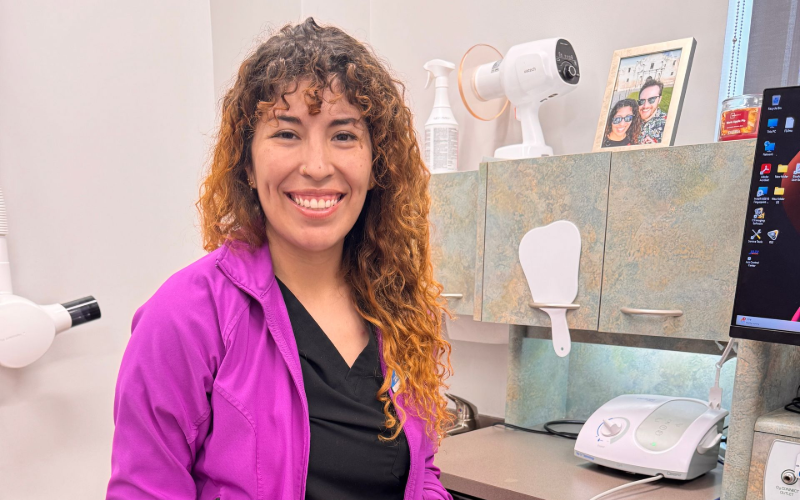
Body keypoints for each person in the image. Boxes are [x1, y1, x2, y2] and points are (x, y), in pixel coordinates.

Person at [106, 18, 454, 500]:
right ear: (247, 162)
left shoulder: (400, 308)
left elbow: (423, 475)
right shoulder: (184, 318)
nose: (315, 166)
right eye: (287, 134)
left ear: (378, 164)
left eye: (344, 135)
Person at [637, 77, 668, 144]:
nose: (645, 106)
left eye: (651, 100)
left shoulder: (667, 125)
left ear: (659, 99)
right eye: (642, 101)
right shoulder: (631, 120)